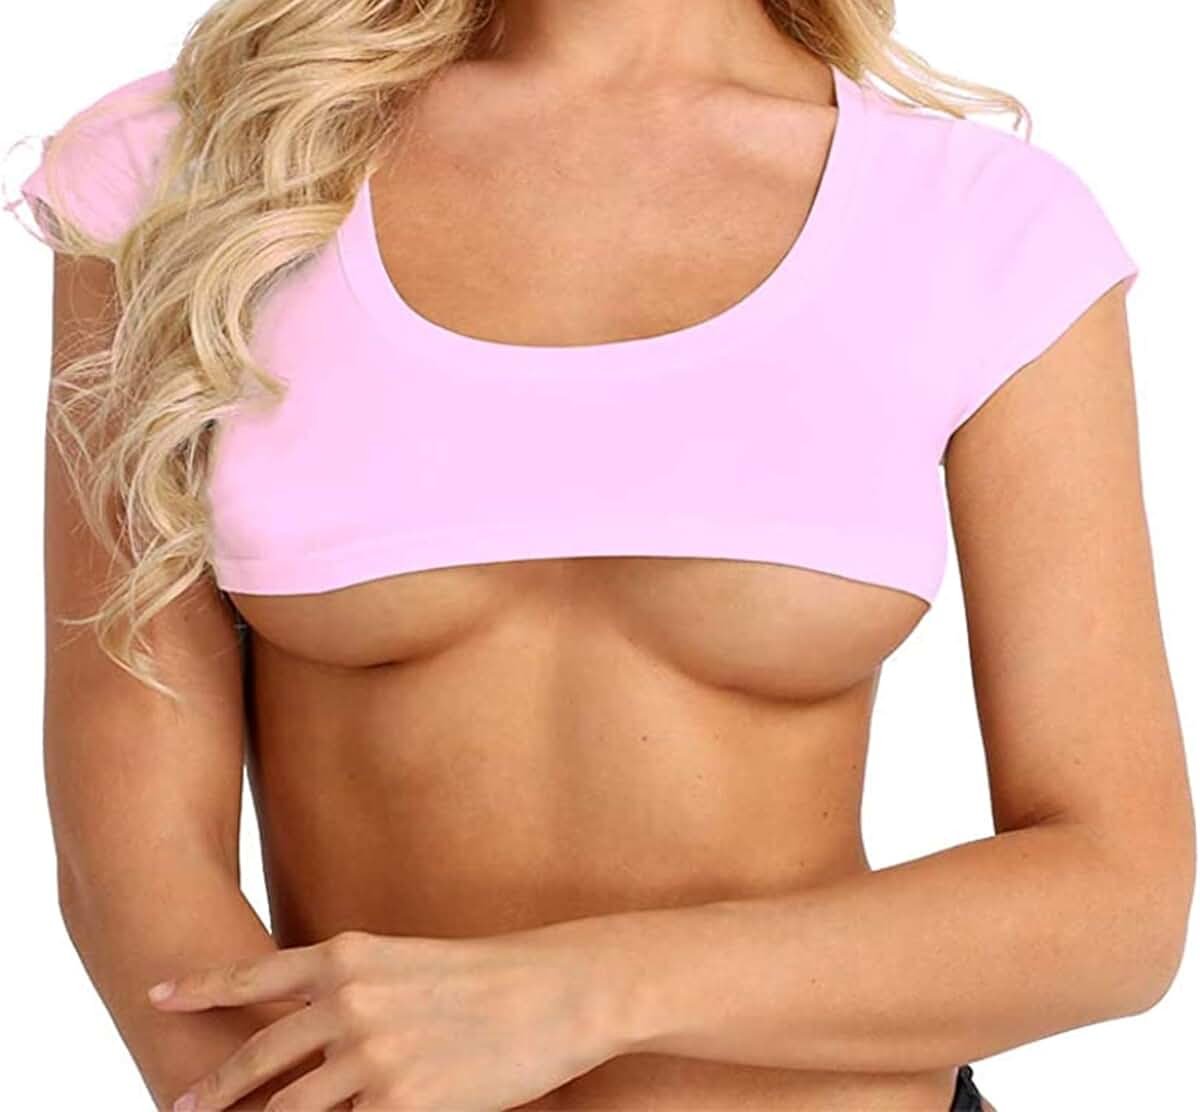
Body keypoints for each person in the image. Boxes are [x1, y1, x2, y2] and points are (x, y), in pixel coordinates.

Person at [13, 1, 1193, 1110]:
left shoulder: (979, 222)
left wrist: (584, 991)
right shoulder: (198, 167)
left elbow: (1120, 897)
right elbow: (134, 851)